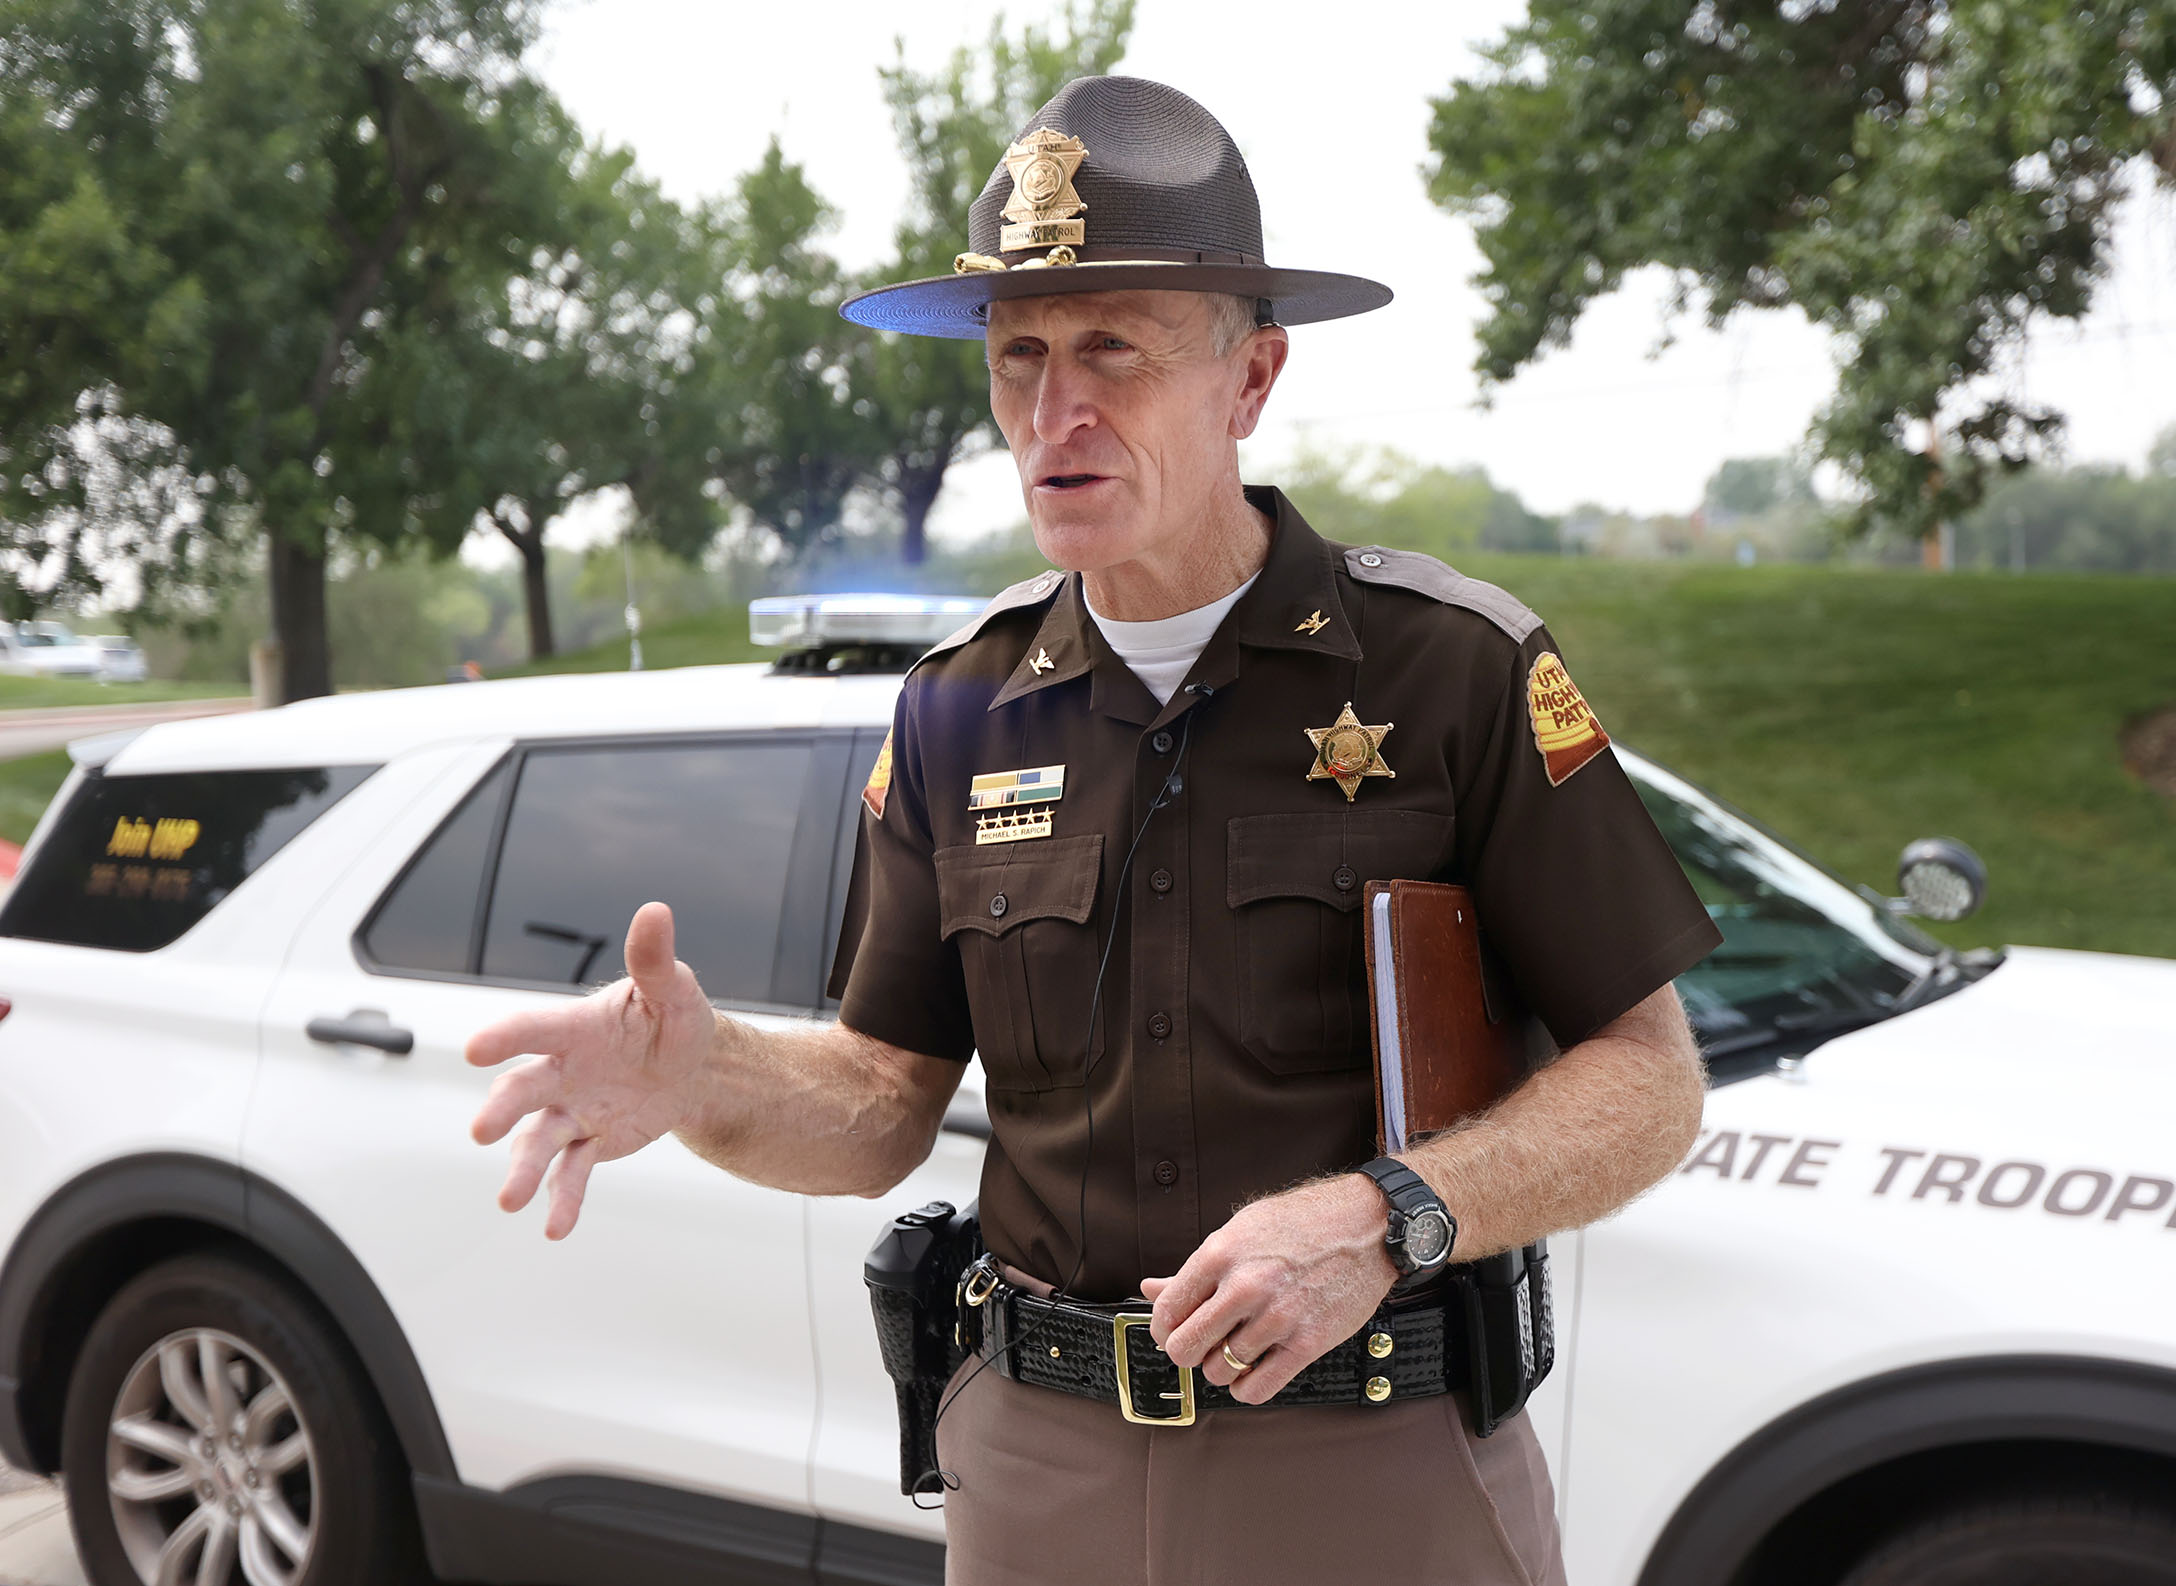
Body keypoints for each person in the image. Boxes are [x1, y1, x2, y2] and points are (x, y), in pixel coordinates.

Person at [464, 75, 1722, 1586]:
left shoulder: (1448, 667)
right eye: (1019, 358)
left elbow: (1650, 1077)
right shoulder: (956, 710)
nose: (1053, 414)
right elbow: (879, 1102)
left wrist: (1393, 1215)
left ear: (1248, 380)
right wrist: (707, 1074)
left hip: (1374, 1465)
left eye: (1111, 351)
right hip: (1038, 1472)